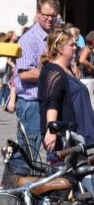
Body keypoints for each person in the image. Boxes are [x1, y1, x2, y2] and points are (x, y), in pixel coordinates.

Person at [11, 0, 60, 176]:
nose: (49, 18)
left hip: (50, 103)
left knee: (53, 150)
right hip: (31, 103)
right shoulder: (29, 39)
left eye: (53, 15)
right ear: (38, 14)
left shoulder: (55, 37)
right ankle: (15, 191)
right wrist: (55, 73)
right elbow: (24, 73)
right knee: (27, 153)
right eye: (46, 14)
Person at [40, 29, 94, 160]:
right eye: (71, 45)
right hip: (66, 139)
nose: (75, 47)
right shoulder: (54, 72)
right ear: (60, 48)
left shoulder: (67, 69)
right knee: (66, 178)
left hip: (78, 136)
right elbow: (52, 103)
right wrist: (52, 131)